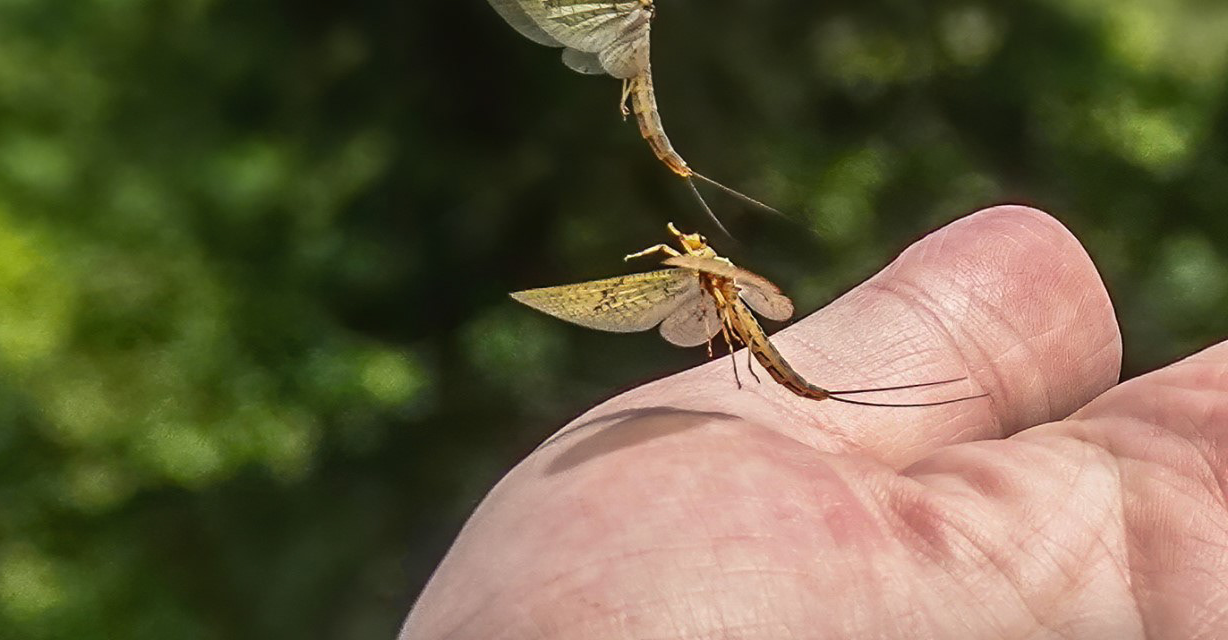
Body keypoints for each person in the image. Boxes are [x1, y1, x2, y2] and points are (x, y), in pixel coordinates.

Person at [402, 205, 1228, 637]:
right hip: (745, 333)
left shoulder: (712, 275)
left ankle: (839, 389)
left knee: (781, 365)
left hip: (757, 338)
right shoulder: (696, 274)